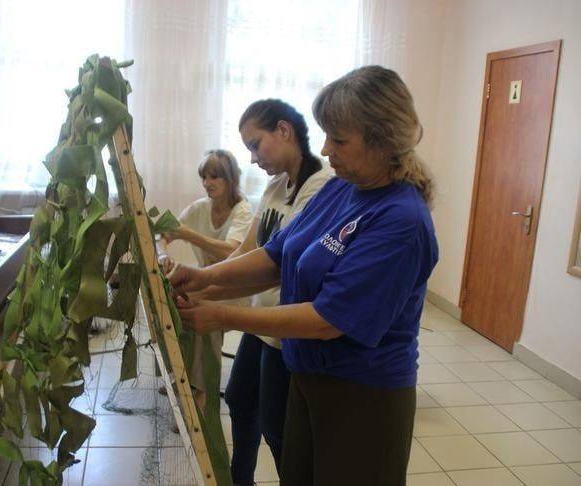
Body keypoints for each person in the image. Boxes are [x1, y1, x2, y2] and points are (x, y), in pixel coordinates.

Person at [169, 66, 439, 486]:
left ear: (384, 140)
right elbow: (275, 256)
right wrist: (203, 279)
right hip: (308, 378)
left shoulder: (401, 221)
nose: (326, 149)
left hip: (363, 396)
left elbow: (328, 320)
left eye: (340, 139)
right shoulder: (340, 189)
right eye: (326, 135)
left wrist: (224, 316)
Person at [192, 99, 332, 485]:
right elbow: (249, 250)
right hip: (261, 325)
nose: (252, 158)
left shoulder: (321, 188)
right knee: (238, 399)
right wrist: (200, 278)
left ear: (284, 131)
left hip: (284, 328)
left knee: (278, 427)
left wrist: (210, 292)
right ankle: (241, 479)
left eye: (256, 144)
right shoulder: (275, 186)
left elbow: (279, 268)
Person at [159, 149, 253, 411]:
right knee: (167, 296)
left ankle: (202, 391)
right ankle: (176, 372)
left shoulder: (243, 211)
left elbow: (232, 251)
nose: (207, 183)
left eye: (215, 177)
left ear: (230, 179)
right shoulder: (201, 207)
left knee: (202, 310)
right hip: (207, 283)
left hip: (238, 290)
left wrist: (189, 235)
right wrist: (162, 252)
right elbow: (163, 233)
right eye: (204, 177)